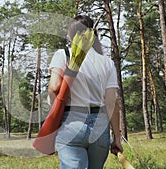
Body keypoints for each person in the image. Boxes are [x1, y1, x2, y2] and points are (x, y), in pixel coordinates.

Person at [47, 15, 123, 169]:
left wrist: (54, 114)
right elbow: (112, 103)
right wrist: (117, 138)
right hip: (100, 126)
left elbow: (54, 87)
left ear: (71, 34)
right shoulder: (106, 62)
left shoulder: (63, 55)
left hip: (71, 123)